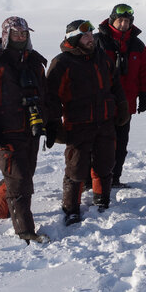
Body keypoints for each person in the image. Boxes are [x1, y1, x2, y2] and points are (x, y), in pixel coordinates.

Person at [0, 16, 48, 244]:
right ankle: (25, 232)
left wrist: (50, 122)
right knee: (20, 181)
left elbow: (45, 95)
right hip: (7, 131)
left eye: (24, 33)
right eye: (16, 33)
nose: (21, 37)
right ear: (6, 35)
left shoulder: (34, 61)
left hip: (31, 129)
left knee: (23, 176)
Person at [45, 19, 122, 225]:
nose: (91, 39)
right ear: (75, 39)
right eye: (86, 36)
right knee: (76, 168)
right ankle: (71, 207)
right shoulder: (62, 63)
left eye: (91, 35)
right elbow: (50, 97)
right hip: (78, 125)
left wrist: (121, 107)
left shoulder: (103, 58)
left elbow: (115, 85)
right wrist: (54, 124)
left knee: (105, 163)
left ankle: (102, 198)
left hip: (105, 121)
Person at [93, 3, 146, 190]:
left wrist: (145, 95)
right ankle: (92, 182)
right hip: (100, 104)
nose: (123, 24)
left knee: (120, 144)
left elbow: (145, 72)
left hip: (126, 104)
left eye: (127, 21)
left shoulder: (137, 45)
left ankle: (114, 178)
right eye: (120, 20)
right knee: (99, 145)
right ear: (112, 20)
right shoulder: (97, 42)